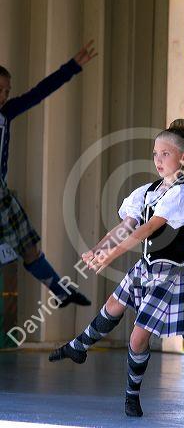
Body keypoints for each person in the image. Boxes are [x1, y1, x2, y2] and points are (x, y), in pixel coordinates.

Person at [48, 119, 184, 417]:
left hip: (168, 274)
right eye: (155, 153)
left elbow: (146, 231)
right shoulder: (147, 191)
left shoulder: (183, 194)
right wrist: (99, 248)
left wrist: (111, 257)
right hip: (146, 266)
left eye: (165, 154)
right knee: (113, 305)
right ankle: (79, 347)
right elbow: (127, 226)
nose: (158, 160)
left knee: (136, 338)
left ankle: (131, 396)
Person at [0, 41, 97, 307]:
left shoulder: (6, 114)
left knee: (29, 248)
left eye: (6, 91)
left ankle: (61, 291)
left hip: (2, 196)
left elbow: (37, 93)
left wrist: (72, 67)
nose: (3, 96)